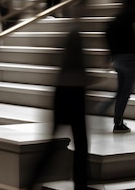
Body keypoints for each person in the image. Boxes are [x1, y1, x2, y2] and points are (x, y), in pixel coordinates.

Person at [26, 29, 89, 190]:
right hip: (77, 93)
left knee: (52, 145)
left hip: (62, 92)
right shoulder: (79, 59)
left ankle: (32, 180)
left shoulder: (65, 59)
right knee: (81, 144)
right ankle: (80, 184)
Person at [105, 0, 135, 133]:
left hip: (117, 58)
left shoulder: (118, 17)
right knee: (125, 90)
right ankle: (117, 121)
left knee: (121, 89)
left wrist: (111, 54)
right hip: (131, 58)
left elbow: (108, 33)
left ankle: (116, 118)